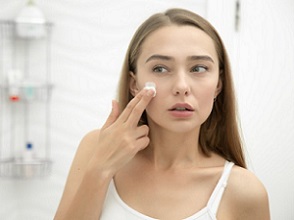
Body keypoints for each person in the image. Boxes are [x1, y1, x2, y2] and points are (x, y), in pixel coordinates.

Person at [54, 8, 270, 220]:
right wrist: (100, 170)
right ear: (134, 84)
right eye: (160, 69)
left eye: (198, 68)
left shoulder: (243, 191)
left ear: (218, 85)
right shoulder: (95, 148)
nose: (181, 86)